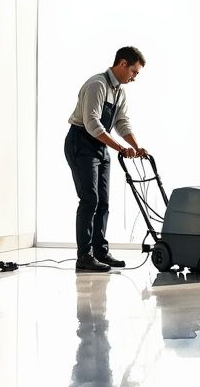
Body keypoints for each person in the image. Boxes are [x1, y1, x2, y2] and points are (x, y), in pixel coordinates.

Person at [65, 46, 149, 272]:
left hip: (101, 146)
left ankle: (100, 252)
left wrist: (136, 146)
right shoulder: (97, 85)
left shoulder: (119, 92)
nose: (134, 77)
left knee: (103, 202)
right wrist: (121, 148)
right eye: (134, 72)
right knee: (89, 199)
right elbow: (92, 124)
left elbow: (121, 122)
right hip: (81, 142)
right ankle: (84, 256)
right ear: (122, 64)